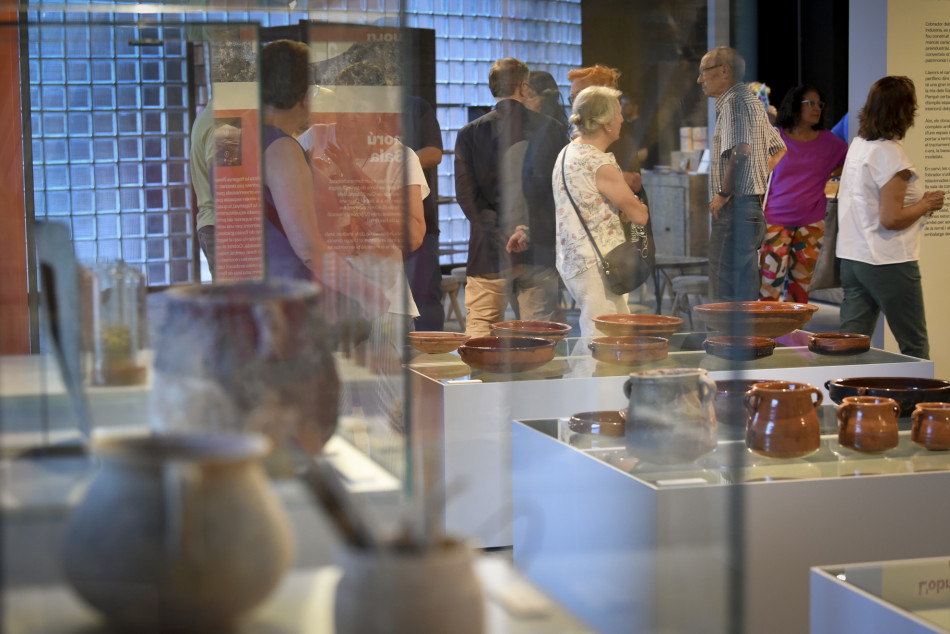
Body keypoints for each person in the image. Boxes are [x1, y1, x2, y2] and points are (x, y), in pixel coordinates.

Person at [259, 40, 386, 317]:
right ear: (304, 96)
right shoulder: (280, 147)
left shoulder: (244, 136)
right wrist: (366, 291)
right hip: (293, 292)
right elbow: (308, 247)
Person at [454, 57, 568, 337]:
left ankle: (482, 379)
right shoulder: (552, 129)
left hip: (488, 252)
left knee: (480, 329)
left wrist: (502, 232)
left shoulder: (470, 133)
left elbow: (467, 198)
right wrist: (526, 230)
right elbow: (560, 192)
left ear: (493, 88)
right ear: (524, 86)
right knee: (537, 336)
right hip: (537, 248)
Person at [837, 76, 944, 359]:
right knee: (914, 345)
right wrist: (926, 203)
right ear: (904, 111)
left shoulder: (859, 146)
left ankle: (847, 401)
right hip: (889, 260)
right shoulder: (891, 157)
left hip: (853, 257)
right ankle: (920, 403)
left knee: (849, 345)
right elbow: (891, 218)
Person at [552, 86, 649, 338]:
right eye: (617, 113)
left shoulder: (566, 153)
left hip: (573, 259)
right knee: (602, 339)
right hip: (598, 263)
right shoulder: (599, 162)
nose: (622, 119)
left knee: (612, 332)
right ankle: (589, 378)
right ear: (605, 123)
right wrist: (634, 208)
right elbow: (639, 216)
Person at [697, 46, 786, 303]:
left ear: (724, 71)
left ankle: (724, 343)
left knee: (723, 297)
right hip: (749, 209)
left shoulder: (735, 103)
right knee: (742, 295)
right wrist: (754, 176)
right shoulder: (752, 103)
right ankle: (747, 343)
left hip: (736, 209)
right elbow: (779, 149)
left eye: (704, 71)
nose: (699, 79)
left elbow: (742, 150)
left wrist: (725, 193)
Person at [759, 84, 848, 303]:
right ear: (795, 106)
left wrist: (828, 174)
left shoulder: (829, 142)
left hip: (811, 225)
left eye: (820, 104)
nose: (817, 108)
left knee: (800, 291)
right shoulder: (775, 137)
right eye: (811, 103)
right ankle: (768, 335)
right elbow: (757, 174)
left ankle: (792, 336)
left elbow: (850, 162)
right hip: (774, 222)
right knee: (769, 288)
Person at [402, 95, 445, 331]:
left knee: (425, 300)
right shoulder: (359, 113)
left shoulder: (415, 106)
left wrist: (394, 163)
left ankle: (431, 361)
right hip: (372, 226)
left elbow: (434, 153)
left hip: (419, 221)